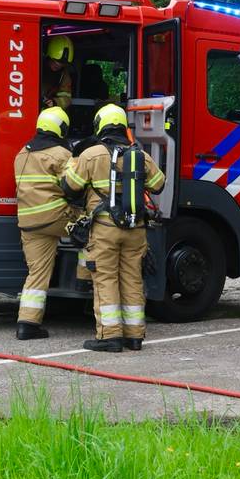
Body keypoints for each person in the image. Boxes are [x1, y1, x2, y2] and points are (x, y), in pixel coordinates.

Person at [61, 104, 165, 352]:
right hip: (135, 227)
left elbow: (70, 187)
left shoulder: (93, 154)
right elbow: (159, 184)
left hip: (104, 228)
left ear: (100, 125)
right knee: (132, 279)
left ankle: (110, 336)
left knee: (105, 279)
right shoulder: (138, 154)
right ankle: (134, 336)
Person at [12, 107, 77, 340]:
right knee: (98, 230)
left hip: (28, 222)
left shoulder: (22, 154)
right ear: (61, 128)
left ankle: (27, 324)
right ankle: (88, 284)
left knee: (37, 271)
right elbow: (74, 186)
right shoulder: (61, 154)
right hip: (56, 218)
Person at [41, 36, 74, 110]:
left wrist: (55, 102)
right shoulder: (36, 67)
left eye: (62, 64)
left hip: (47, 113)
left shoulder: (64, 75)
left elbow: (67, 99)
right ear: (49, 57)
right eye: (56, 62)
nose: (59, 66)